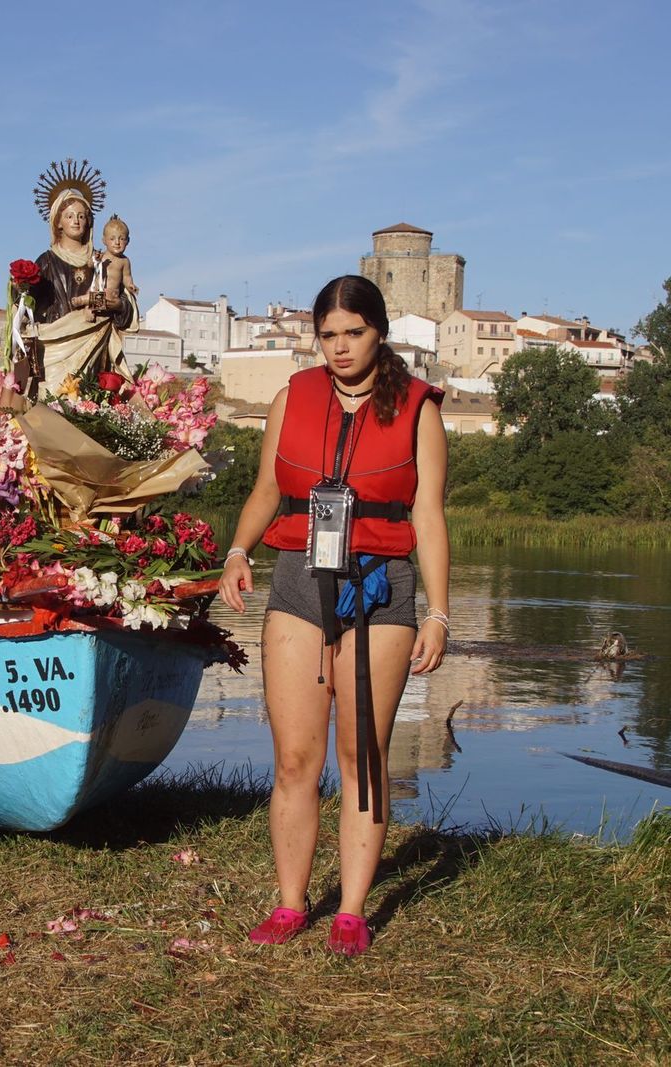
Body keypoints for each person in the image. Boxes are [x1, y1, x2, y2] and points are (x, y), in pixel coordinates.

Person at [219, 274, 449, 956]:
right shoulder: (293, 396)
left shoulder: (417, 408)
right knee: (295, 758)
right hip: (298, 581)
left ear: (380, 333)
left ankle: (350, 910)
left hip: (381, 588)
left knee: (361, 755)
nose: (341, 347)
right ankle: (291, 904)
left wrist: (439, 613)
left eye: (355, 332)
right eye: (328, 335)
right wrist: (238, 551)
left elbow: (429, 517)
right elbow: (267, 488)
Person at [21, 167, 137, 396]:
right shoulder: (46, 261)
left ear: (89, 222)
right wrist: (20, 290)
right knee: (52, 402)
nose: (76, 221)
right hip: (54, 343)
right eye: (69, 216)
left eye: (81, 216)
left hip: (93, 341)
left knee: (87, 400)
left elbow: (124, 300)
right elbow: (27, 308)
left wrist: (117, 305)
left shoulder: (103, 260)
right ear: (58, 222)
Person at [96, 215, 138, 309]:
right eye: (112, 239)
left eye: (122, 239)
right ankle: (83, 302)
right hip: (98, 291)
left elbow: (127, 277)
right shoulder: (101, 256)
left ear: (128, 241)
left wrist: (130, 285)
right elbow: (90, 266)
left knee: (115, 303)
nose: (117, 242)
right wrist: (94, 260)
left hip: (113, 294)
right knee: (92, 298)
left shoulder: (124, 261)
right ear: (104, 240)